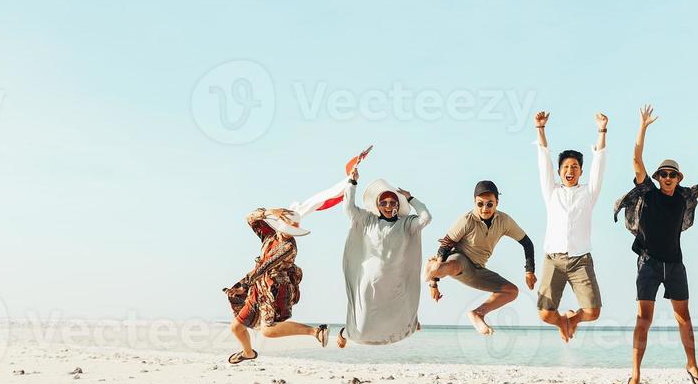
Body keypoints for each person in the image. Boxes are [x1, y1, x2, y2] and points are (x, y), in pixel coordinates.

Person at [612, 104, 698, 384]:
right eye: (664, 174)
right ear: (658, 177)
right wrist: (643, 126)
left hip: (675, 265)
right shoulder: (648, 191)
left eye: (673, 174)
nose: (668, 178)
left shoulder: (684, 196)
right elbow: (636, 158)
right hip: (647, 263)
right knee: (643, 319)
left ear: (678, 178)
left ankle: (692, 365)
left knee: (684, 317)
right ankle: (635, 376)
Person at [336, 156, 432, 348]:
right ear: (378, 205)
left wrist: (411, 198)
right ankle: (345, 333)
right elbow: (348, 208)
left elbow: (426, 217)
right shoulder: (368, 219)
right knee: (363, 324)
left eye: (393, 203)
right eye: (384, 203)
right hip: (369, 280)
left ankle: (410, 325)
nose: (389, 206)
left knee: (395, 317)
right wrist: (352, 183)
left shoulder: (406, 223)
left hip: (394, 281)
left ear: (398, 205)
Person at [533, 110, 608, 342]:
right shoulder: (552, 192)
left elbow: (599, 165)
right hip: (553, 259)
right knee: (545, 313)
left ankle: (571, 320)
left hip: (580, 259)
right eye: (566, 167)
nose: (570, 170)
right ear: (559, 171)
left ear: (581, 171)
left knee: (593, 312)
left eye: (575, 167)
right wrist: (541, 129)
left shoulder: (588, 193)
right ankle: (561, 322)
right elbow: (543, 160)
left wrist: (602, 130)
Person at [426, 180, 536, 336]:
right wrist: (433, 283)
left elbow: (527, 243)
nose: (485, 208)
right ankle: (433, 268)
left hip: (477, 270)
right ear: (474, 202)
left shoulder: (504, 221)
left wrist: (529, 271)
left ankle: (478, 314)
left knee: (512, 291)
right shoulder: (467, 219)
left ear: (497, 202)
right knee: (456, 263)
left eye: (490, 204)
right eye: (480, 204)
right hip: (459, 258)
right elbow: (444, 247)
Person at [225, 207, 329, 364]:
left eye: (292, 230)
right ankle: (248, 353)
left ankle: (315, 331)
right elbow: (250, 218)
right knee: (236, 327)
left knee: (268, 331)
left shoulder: (289, 247)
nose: (289, 232)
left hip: (275, 291)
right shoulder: (269, 235)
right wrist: (269, 212)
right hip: (259, 288)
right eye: (287, 228)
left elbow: (265, 267)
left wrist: (243, 285)